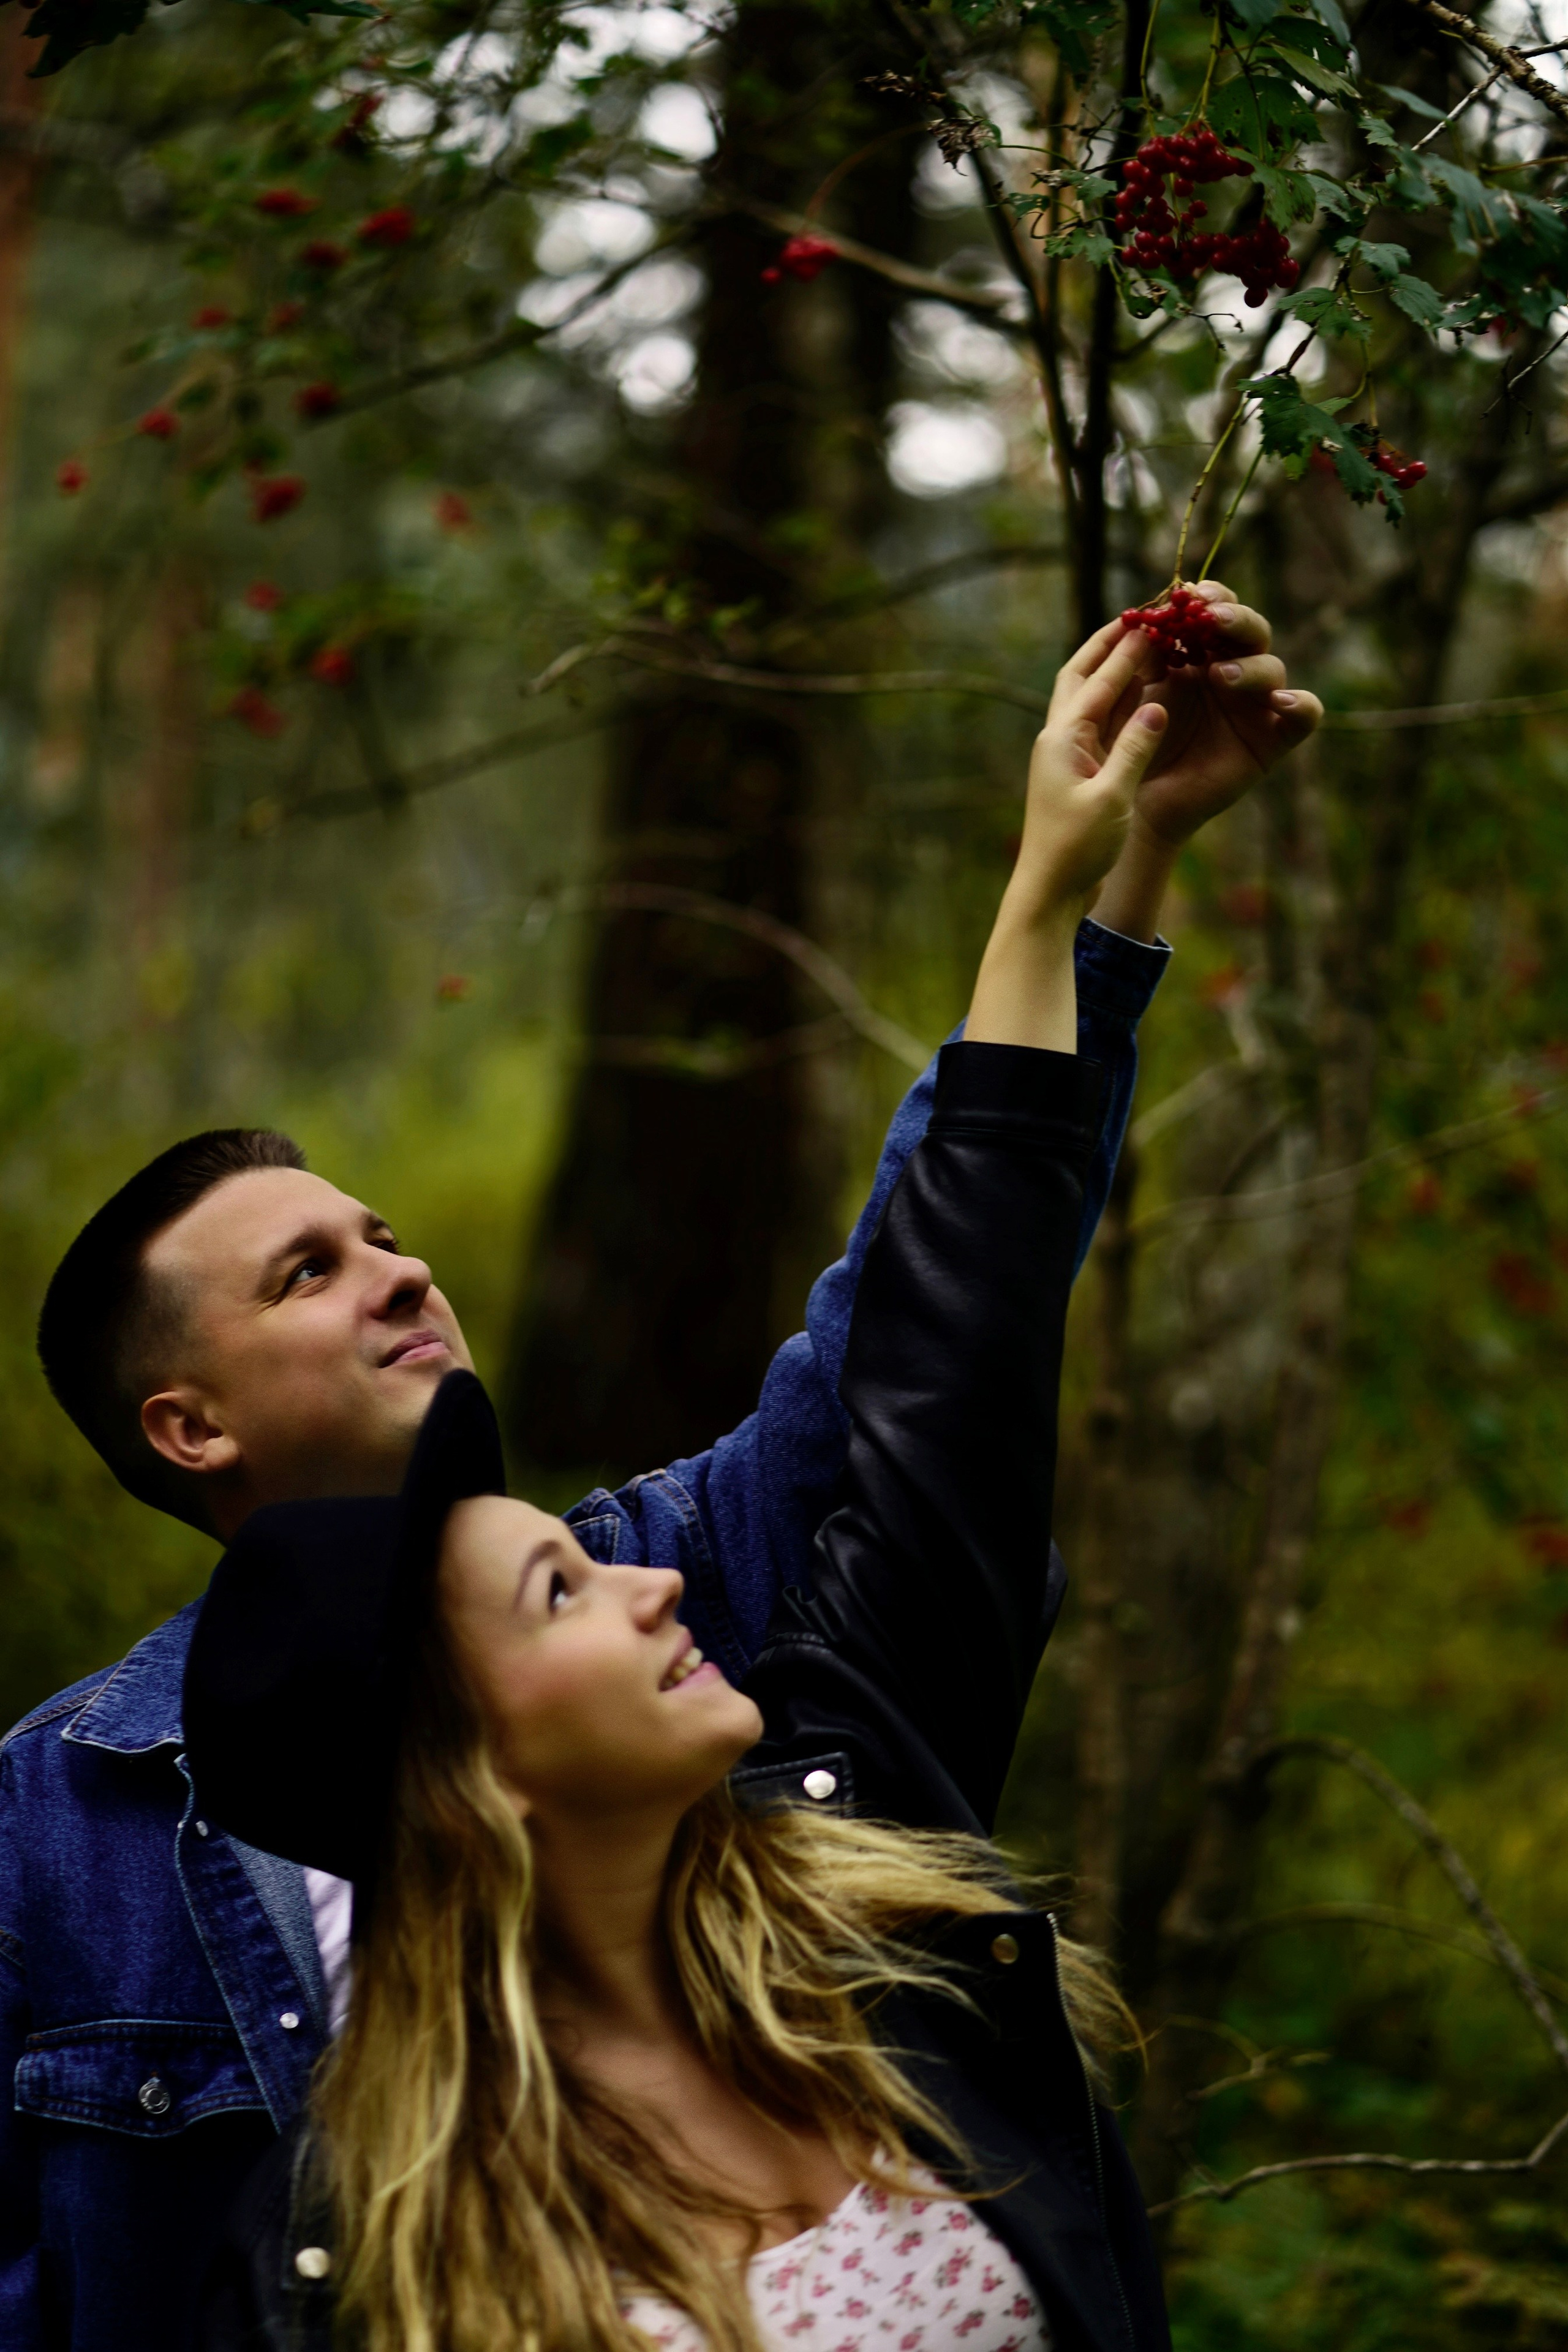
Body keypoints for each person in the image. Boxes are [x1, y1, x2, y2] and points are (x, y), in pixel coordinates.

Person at [0, 591, 1321, 2352]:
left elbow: (938, 1331)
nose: (401, 1271)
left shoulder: (698, 1575)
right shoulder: (51, 1824)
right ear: (188, 1426)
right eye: (306, 1273)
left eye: (385, 1235)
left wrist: (1103, 879)